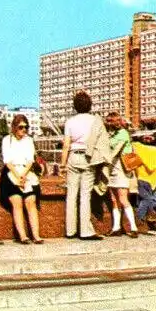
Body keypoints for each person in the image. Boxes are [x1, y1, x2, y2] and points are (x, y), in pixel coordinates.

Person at [59, 91, 105, 240]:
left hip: (73, 156)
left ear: (75, 106)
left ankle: (70, 231)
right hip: (88, 157)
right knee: (85, 195)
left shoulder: (70, 122)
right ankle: (85, 231)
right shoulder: (95, 121)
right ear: (90, 105)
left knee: (71, 195)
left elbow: (66, 145)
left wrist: (62, 164)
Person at [0, 114, 44, 243]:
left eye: (26, 127)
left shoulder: (28, 140)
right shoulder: (7, 140)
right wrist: (18, 177)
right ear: (14, 127)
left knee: (31, 202)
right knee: (17, 202)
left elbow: (31, 159)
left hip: (26, 172)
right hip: (11, 172)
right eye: (20, 127)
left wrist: (23, 175)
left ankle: (36, 235)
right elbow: (7, 161)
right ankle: (23, 236)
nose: (23, 130)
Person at [104, 112, 139, 237]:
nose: (107, 124)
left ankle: (133, 228)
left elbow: (116, 151)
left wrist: (104, 161)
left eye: (109, 121)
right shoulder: (112, 134)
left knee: (123, 199)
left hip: (121, 167)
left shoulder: (123, 133)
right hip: (112, 167)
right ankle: (116, 227)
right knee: (114, 200)